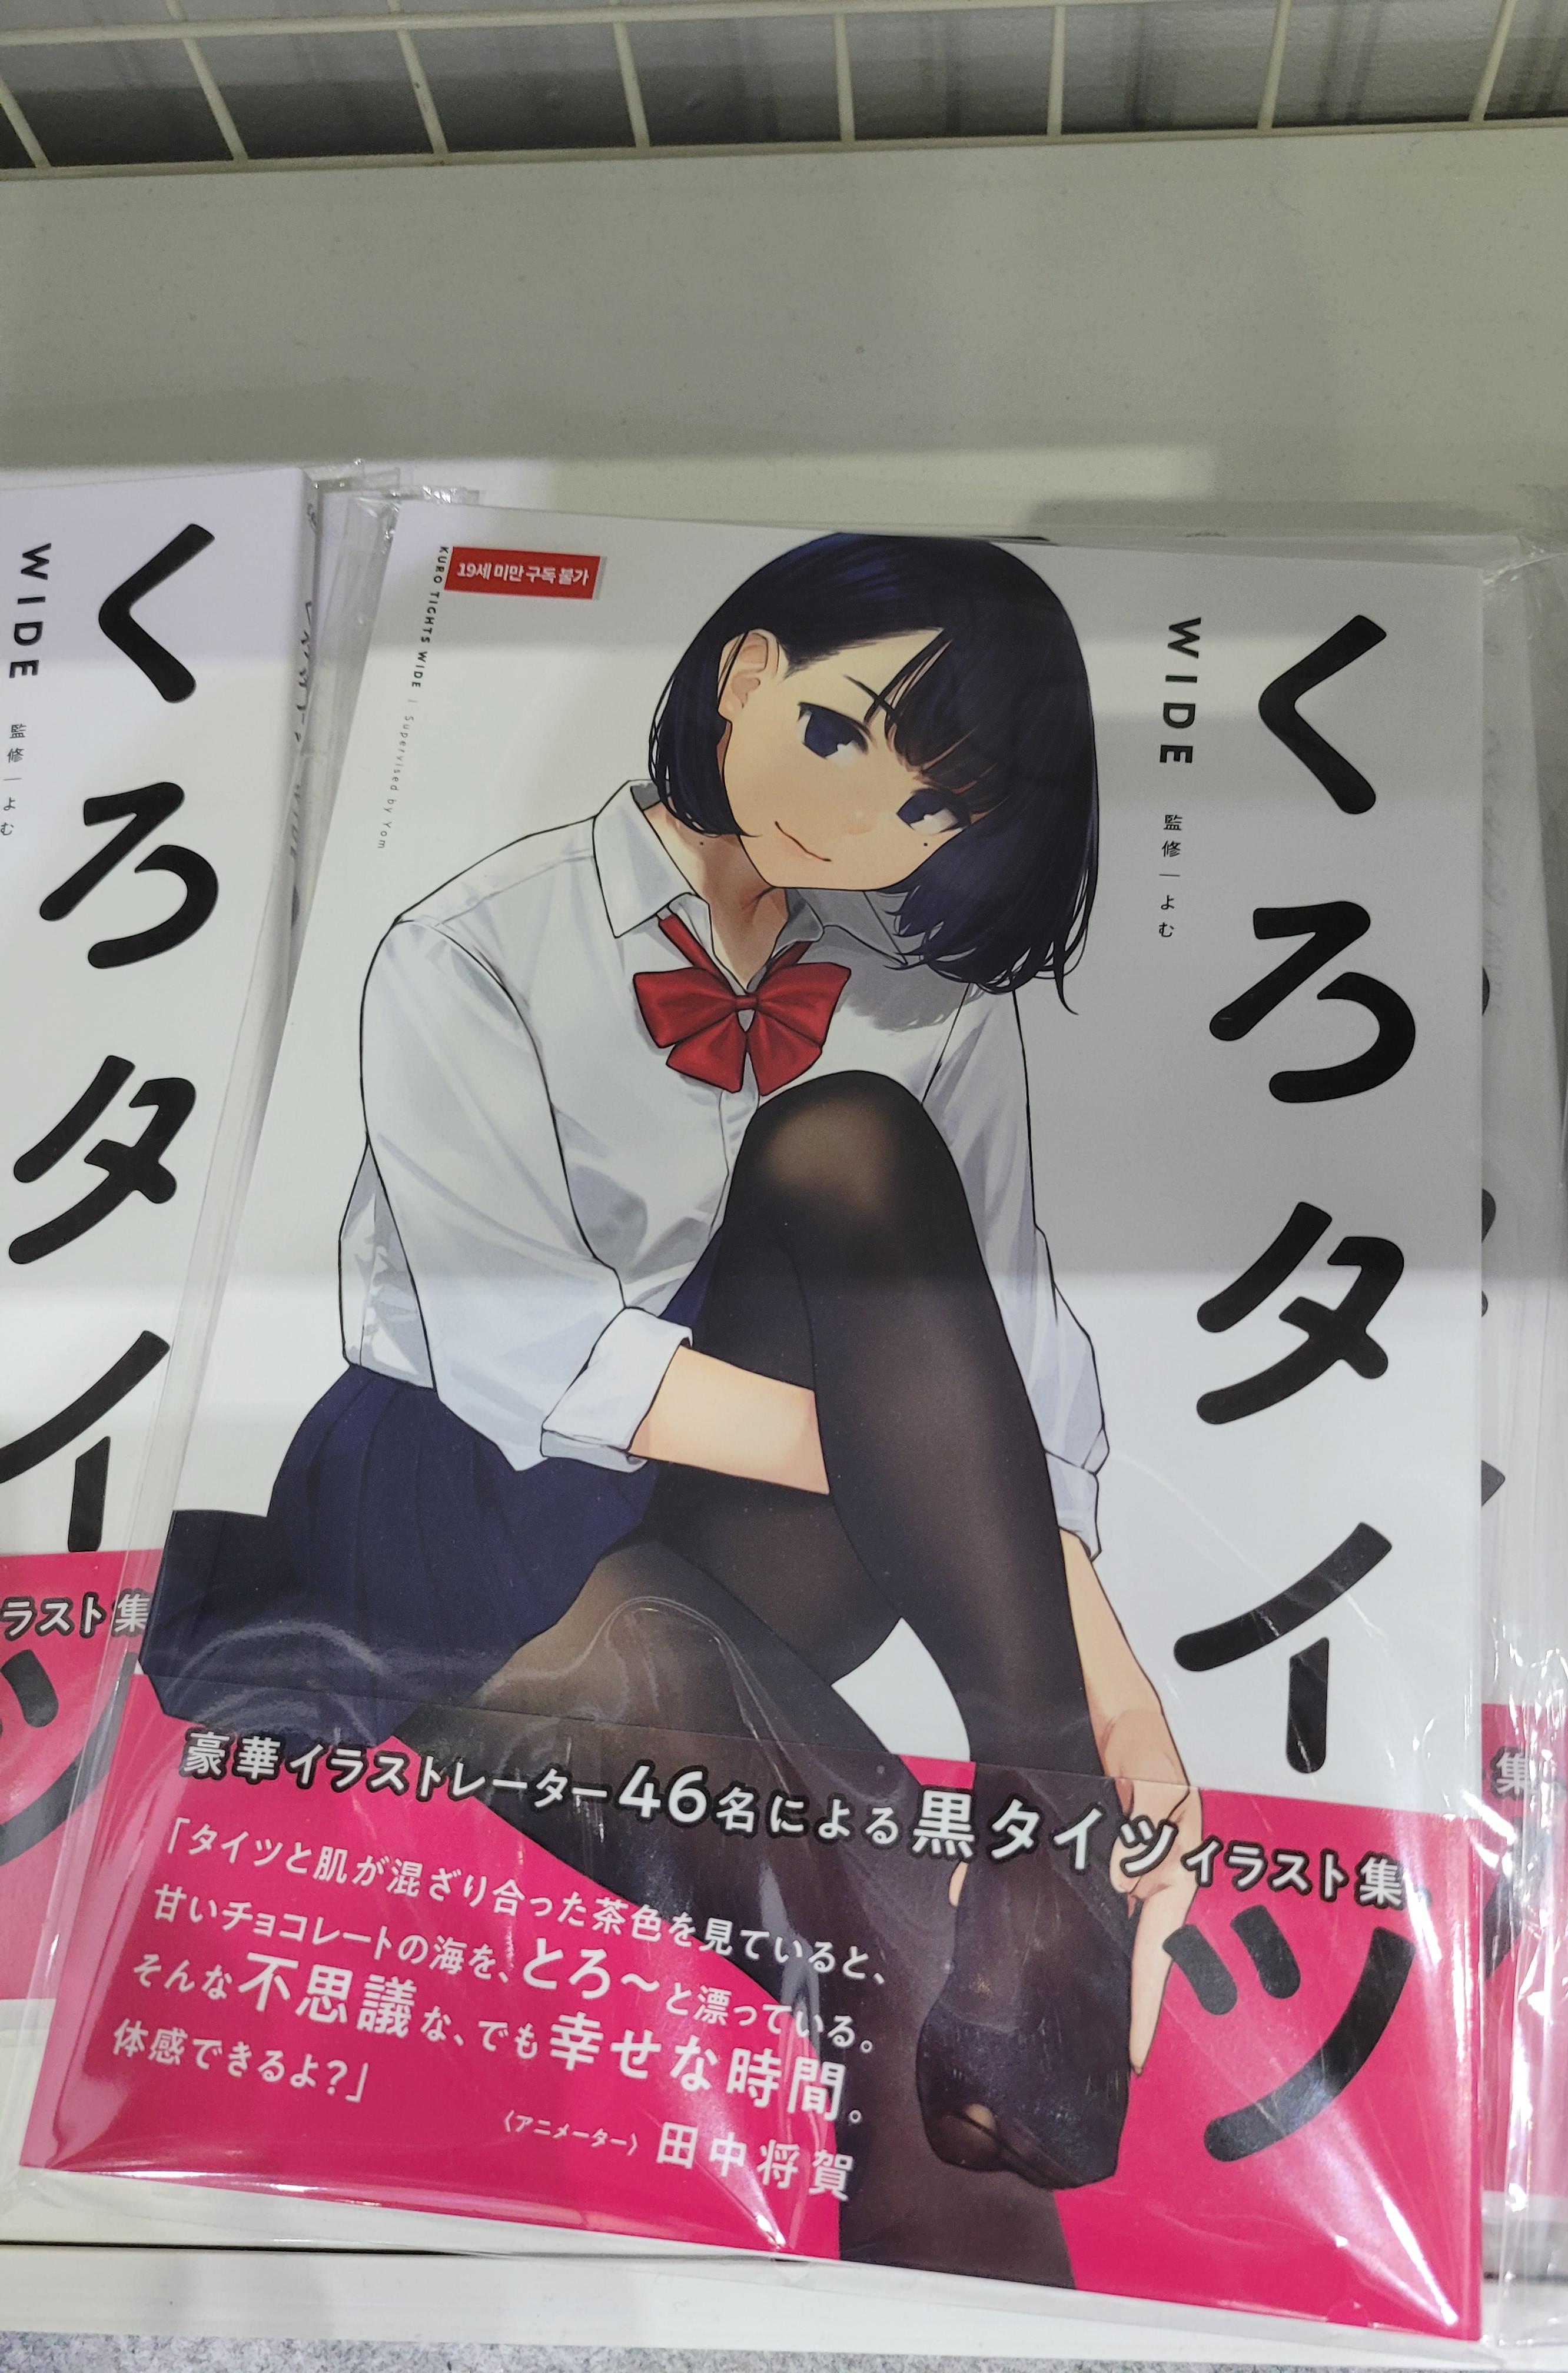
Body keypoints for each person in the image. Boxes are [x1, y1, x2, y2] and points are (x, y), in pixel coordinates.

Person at [145, 531, 1199, 2281]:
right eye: (844, 735)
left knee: (854, 1142)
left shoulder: (931, 1012)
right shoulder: (473, 946)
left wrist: (1115, 1694)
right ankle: (1015, 1926)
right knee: (905, 1974)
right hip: (462, 1506)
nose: (864, 824)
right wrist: (893, 1469)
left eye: (934, 808)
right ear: (745, 674)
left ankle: (1047, 1824)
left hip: (750, 1529)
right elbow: (521, 1348)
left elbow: (1001, 1357)